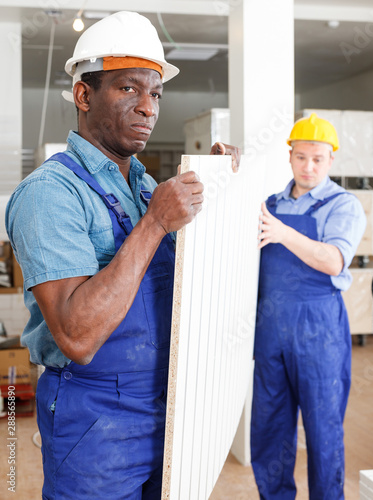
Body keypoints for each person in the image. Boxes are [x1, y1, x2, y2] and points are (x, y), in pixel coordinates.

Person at [6, 11, 240, 500]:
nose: (148, 107)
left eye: (155, 93)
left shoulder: (145, 186)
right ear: (84, 94)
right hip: (95, 422)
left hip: (167, 408)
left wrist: (217, 189)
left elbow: (186, 284)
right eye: (128, 89)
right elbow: (77, 334)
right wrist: (155, 222)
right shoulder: (49, 194)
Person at [250, 113, 366, 499]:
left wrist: (282, 234)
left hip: (320, 333)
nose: (309, 166)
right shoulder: (268, 205)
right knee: (269, 427)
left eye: (317, 158)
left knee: (322, 430)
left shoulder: (343, 206)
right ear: (290, 156)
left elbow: (334, 260)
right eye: (301, 157)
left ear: (331, 159)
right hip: (270, 331)